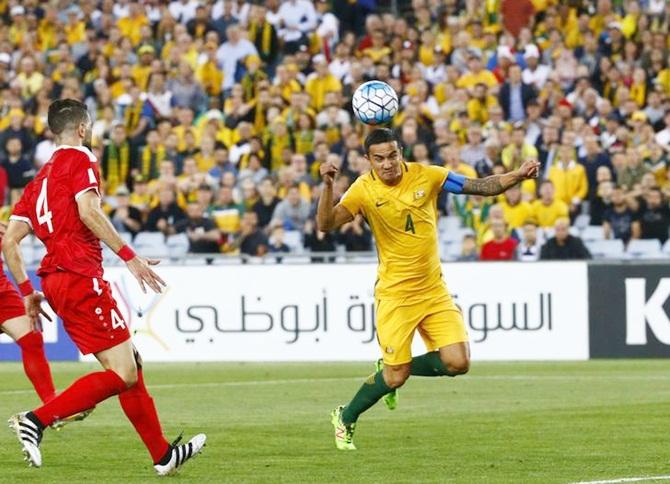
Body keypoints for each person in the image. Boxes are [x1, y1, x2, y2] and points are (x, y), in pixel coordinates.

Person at [2, 99, 205, 474]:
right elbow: (88, 211)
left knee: (132, 364)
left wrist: (27, 290)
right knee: (123, 373)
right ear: (82, 129)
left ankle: (162, 456)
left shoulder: (38, 180)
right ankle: (37, 419)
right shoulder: (81, 159)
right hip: (80, 277)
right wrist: (129, 256)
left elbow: (10, 240)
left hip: (55, 281)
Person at [317, 128, 539, 450]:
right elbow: (326, 224)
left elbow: (479, 186)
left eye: (392, 155)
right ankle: (346, 415)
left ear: (401, 152)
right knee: (395, 378)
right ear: (368, 161)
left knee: (458, 363)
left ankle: (393, 366)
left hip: (434, 290)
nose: (388, 164)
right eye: (379, 159)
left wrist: (517, 175)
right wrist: (327, 186)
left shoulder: (429, 176)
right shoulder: (362, 191)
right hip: (395, 295)